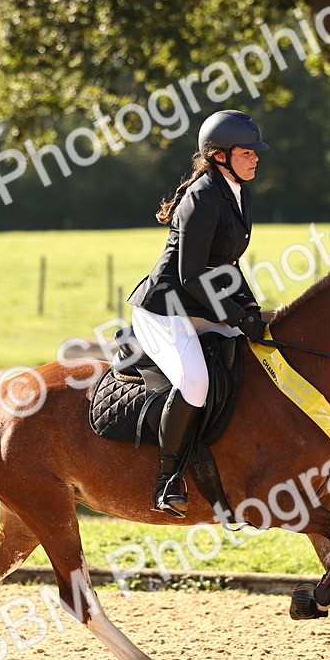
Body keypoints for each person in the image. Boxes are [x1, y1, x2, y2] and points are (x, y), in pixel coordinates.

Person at [126, 109, 269, 517]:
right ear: (219, 155)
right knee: (195, 383)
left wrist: (251, 308)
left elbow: (227, 265)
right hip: (165, 311)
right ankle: (167, 480)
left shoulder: (238, 192)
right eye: (247, 152)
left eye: (255, 152)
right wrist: (236, 316)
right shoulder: (202, 197)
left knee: (255, 362)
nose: (255, 158)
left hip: (201, 306)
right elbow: (191, 275)